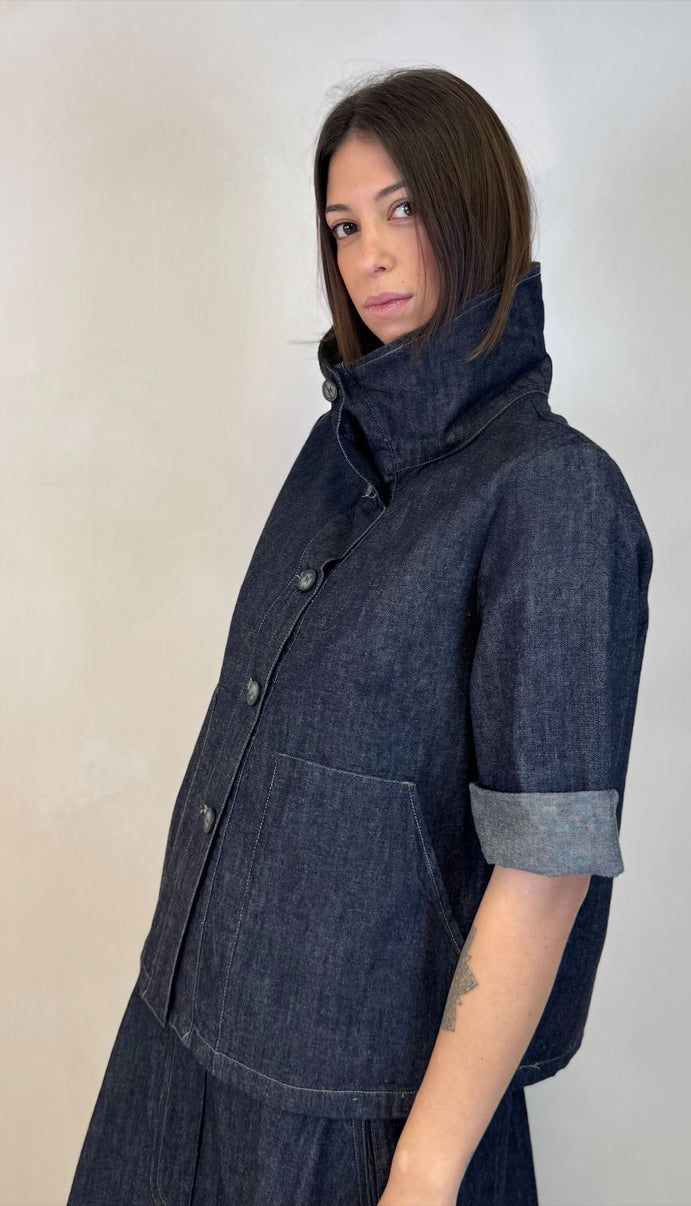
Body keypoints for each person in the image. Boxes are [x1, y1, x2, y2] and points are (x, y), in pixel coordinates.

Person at [67, 66, 653, 1206]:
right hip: (180, 1048)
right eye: (343, 225)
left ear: (477, 210)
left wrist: (423, 1175)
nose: (369, 256)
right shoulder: (334, 458)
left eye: (403, 209)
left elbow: (546, 867)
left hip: (356, 1114)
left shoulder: (551, 495)